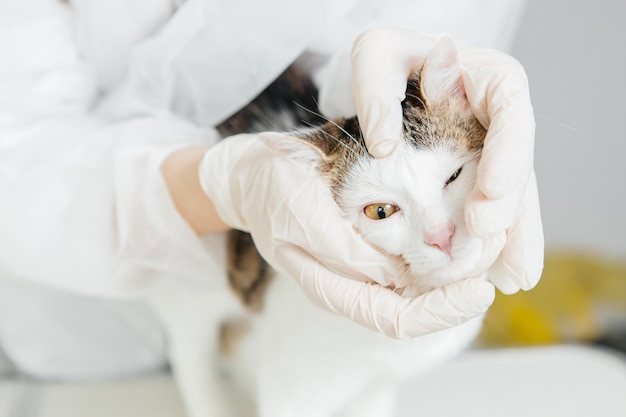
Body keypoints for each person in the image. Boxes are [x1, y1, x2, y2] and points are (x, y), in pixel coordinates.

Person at [0, 0, 543, 380]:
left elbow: (415, 43)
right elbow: (18, 160)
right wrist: (221, 184)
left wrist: (399, 67)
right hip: (73, 296)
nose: (441, 233)